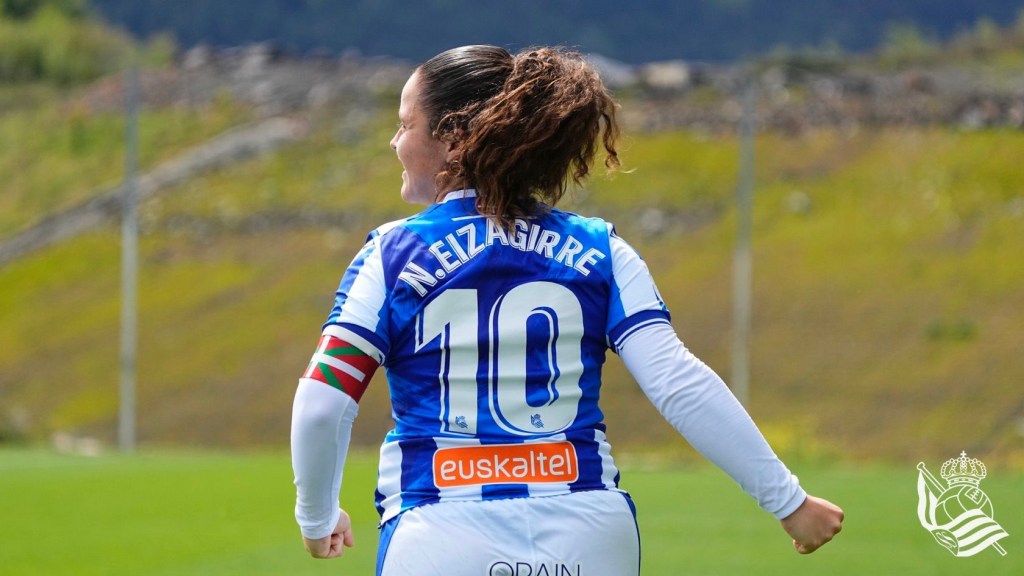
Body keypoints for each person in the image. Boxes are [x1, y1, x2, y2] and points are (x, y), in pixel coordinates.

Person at [290, 45, 843, 575]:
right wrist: (788, 502)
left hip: (440, 526)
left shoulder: (392, 254)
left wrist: (317, 517)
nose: (394, 142)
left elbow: (323, 402)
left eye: (405, 124)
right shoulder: (602, 249)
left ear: (453, 137)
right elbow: (678, 382)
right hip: (588, 526)